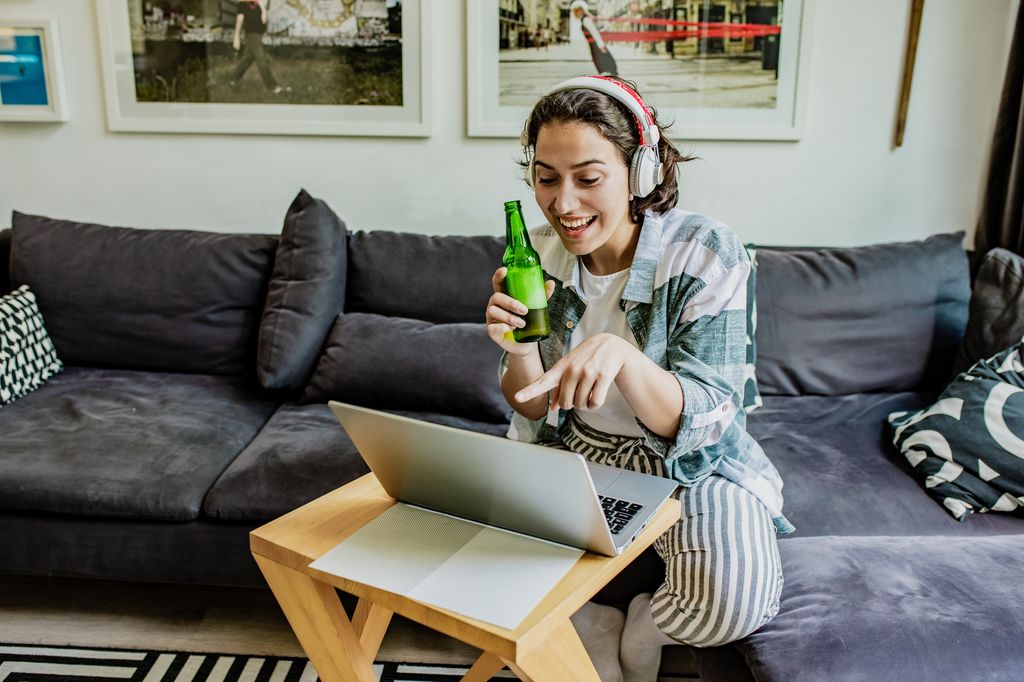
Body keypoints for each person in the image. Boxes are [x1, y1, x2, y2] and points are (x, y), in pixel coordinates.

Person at [484, 76, 793, 682]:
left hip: (688, 463)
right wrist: (514, 348)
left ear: (640, 172)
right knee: (469, 568)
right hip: (577, 454)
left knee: (735, 604)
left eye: (588, 178)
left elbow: (706, 414)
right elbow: (528, 405)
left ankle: (647, 620)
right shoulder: (540, 253)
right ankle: (593, 624)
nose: (564, 203)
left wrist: (621, 357)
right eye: (546, 177)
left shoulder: (705, 252)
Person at [231, 0, 286, 94]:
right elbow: (239, 21)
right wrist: (236, 37)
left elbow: (263, 22)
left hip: (258, 35)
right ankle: (272, 86)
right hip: (251, 35)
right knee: (261, 59)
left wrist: (263, 8)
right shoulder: (242, 4)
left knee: (247, 58)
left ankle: (234, 78)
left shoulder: (261, 4)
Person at [571, 0, 618, 76]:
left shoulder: (586, 20)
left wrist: (601, 46)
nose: (575, 14)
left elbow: (595, 33)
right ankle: (607, 74)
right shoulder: (584, 19)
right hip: (593, 44)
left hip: (596, 44)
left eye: (575, 12)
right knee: (599, 60)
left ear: (579, 11)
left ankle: (609, 75)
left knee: (601, 60)